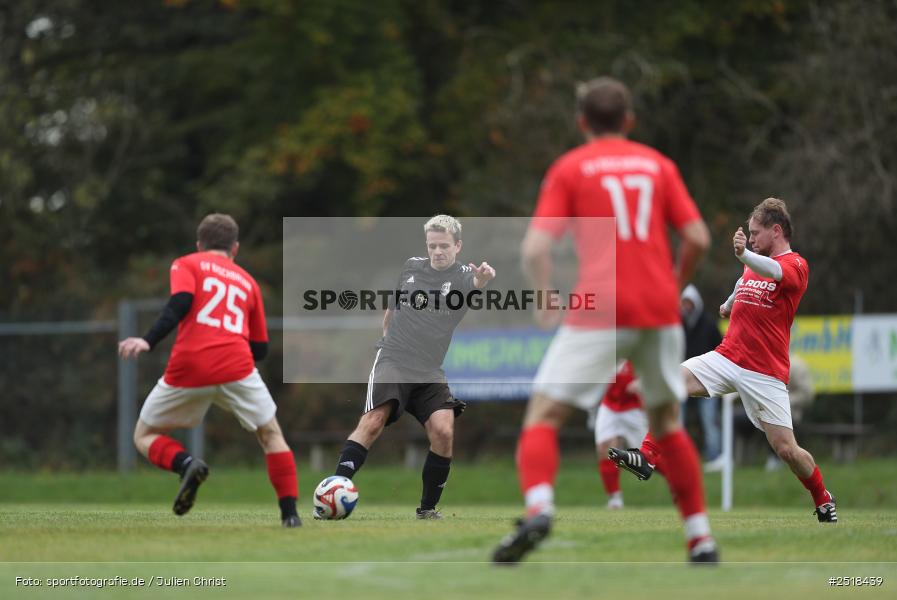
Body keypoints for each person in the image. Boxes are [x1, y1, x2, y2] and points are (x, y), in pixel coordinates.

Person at [493, 77, 717, 563]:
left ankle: (539, 508)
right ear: (629, 120)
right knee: (668, 424)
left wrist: (545, 297)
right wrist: (674, 286)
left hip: (601, 305)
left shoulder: (571, 168)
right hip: (659, 309)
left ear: (581, 123)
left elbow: (534, 247)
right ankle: (700, 537)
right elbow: (697, 237)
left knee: (544, 415)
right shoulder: (659, 165)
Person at [613, 198, 837, 523]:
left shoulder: (796, 266)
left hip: (765, 373)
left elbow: (772, 271)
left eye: (756, 233)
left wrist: (744, 253)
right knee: (672, 380)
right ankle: (647, 456)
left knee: (787, 450)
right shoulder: (753, 262)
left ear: (777, 231)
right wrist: (730, 301)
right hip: (728, 357)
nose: (752, 238)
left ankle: (822, 496)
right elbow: (746, 278)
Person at [117, 214, 301, 527]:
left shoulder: (187, 263)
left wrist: (148, 340)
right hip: (237, 366)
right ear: (236, 248)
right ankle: (291, 516)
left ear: (200, 245)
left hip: (190, 365)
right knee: (271, 435)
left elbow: (181, 302)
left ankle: (187, 464)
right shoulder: (248, 282)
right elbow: (260, 351)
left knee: (144, 436)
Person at [329, 215, 495, 520]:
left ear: (458, 246)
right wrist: (386, 342)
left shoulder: (461, 277)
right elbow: (391, 311)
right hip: (394, 358)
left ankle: (427, 509)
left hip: (429, 369)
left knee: (444, 431)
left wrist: (482, 279)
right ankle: (333, 492)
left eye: (444, 245)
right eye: (432, 245)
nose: (438, 251)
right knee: (374, 421)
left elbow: (475, 283)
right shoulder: (411, 268)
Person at [680, 284, 724, 470]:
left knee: (709, 419)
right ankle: (676, 456)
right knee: (676, 419)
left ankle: (714, 457)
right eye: (685, 303)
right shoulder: (678, 322)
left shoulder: (708, 323)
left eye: (690, 303)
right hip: (683, 376)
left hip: (707, 377)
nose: (687, 306)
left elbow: (720, 346)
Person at [592, 361, 646, 509]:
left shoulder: (641, 342)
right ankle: (614, 498)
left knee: (647, 458)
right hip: (609, 406)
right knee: (605, 449)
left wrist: (641, 382)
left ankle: (680, 486)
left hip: (634, 409)